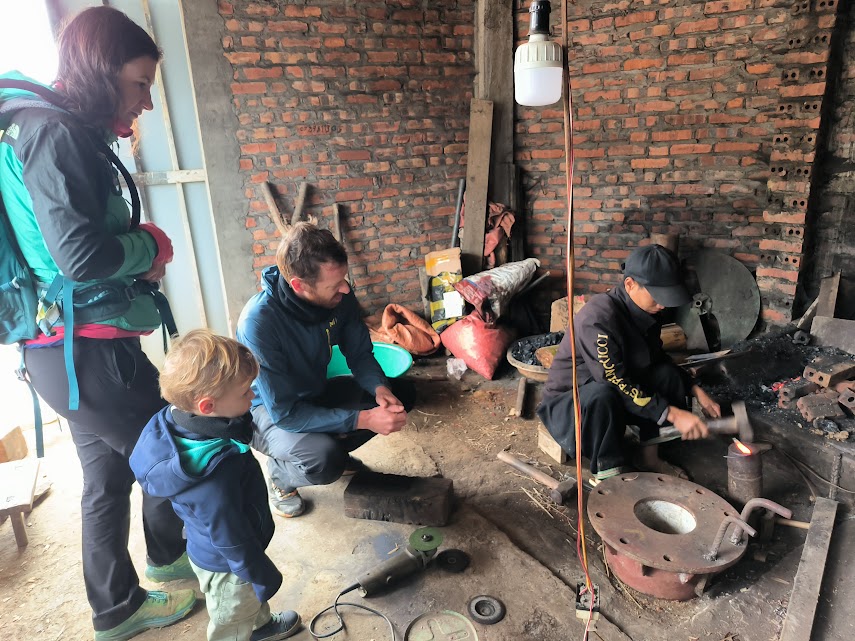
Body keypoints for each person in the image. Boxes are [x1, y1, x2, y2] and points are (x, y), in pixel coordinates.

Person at [0, 7, 195, 640]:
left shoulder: (46, 130)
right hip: (88, 354)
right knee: (175, 450)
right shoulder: (52, 133)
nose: (145, 101)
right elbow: (80, 257)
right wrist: (151, 246)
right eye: (139, 84)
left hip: (63, 354)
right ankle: (172, 573)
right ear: (100, 71)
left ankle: (117, 609)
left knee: (107, 480)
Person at [130, 330, 302, 641]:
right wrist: (258, 571)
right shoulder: (213, 474)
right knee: (232, 616)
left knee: (247, 604)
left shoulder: (177, 419)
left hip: (218, 547)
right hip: (229, 564)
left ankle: (260, 627)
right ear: (208, 406)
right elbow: (230, 534)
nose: (252, 396)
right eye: (245, 392)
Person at [237, 222, 416, 518]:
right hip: (267, 412)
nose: (346, 289)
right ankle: (281, 476)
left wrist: (379, 389)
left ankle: (333, 447)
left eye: (345, 279)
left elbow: (359, 353)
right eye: (336, 285)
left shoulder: (339, 297)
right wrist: (363, 418)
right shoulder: (259, 323)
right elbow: (286, 413)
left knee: (402, 394)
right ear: (299, 286)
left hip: (313, 393)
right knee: (324, 460)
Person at [538, 244, 721, 484]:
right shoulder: (599, 318)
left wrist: (697, 391)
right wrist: (673, 414)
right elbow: (614, 380)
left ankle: (649, 456)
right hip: (573, 405)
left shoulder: (648, 313)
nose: (663, 305)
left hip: (617, 391)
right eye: (657, 297)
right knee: (602, 395)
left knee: (667, 374)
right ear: (630, 284)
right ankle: (608, 476)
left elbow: (656, 358)